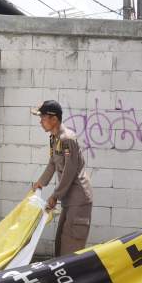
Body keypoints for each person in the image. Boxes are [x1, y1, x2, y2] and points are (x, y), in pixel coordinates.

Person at [30, 100, 93, 257]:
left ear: (54, 119)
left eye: (43, 117)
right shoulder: (55, 138)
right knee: (60, 245)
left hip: (78, 200)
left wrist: (55, 195)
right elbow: (53, 163)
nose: (40, 122)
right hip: (69, 200)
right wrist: (40, 183)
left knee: (70, 249)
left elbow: (69, 172)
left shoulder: (67, 139)